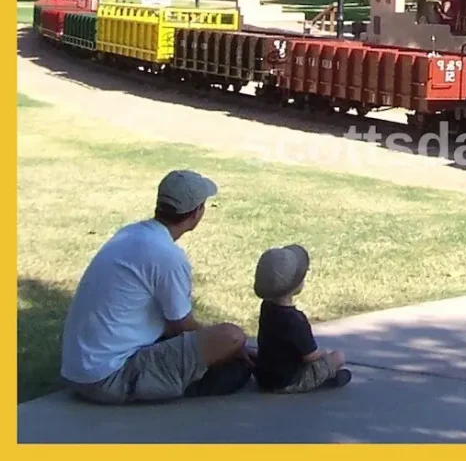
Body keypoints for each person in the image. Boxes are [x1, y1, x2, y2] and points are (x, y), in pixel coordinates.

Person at [60, 170, 256, 404]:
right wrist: (227, 346)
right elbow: (181, 326)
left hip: (80, 369)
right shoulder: (168, 256)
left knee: (225, 350)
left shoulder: (130, 233)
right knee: (232, 339)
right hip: (109, 376)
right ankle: (178, 383)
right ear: (197, 213)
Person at [252, 244, 350, 393]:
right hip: (288, 380)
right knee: (338, 357)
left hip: (264, 376)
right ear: (295, 285)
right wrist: (324, 354)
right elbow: (310, 356)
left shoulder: (266, 307)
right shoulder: (295, 320)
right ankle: (329, 377)